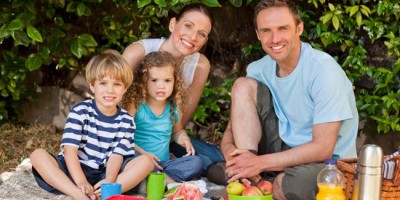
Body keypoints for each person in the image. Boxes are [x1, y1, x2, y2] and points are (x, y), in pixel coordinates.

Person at [220, 0, 359, 199]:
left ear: (299, 28)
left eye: (283, 28)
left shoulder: (324, 72)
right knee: (242, 85)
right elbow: (231, 129)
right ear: (258, 34)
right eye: (266, 30)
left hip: (330, 163)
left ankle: (260, 176)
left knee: (286, 185)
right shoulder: (258, 69)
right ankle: (247, 178)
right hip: (281, 151)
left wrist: (258, 163)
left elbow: (323, 148)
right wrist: (234, 158)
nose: (275, 38)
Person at [30, 50, 154, 200]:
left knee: (146, 162)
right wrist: (81, 181)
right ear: (92, 86)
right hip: (74, 168)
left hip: (105, 172)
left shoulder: (126, 120)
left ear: (125, 89)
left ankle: (108, 190)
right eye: (103, 83)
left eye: (117, 84)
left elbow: (116, 155)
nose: (110, 90)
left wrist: (109, 178)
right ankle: (77, 194)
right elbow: (70, 152)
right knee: (37, 155)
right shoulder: (80, 111)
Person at [122, 4, 224, 173]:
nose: (192, 37)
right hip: (131, 140)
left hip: (165, 136)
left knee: (218, 162)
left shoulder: (200, 65)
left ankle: (162, 169)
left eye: (202, 34)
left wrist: (174, 139)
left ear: (205, 40)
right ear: (172, 24)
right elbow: (114, 113)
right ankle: (152, 174)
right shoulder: (138, 52)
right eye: (188, 26)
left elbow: (179, 121)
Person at [121, 51, 202, 183]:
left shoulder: (174, 106)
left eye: (167, 80)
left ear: (175, 82)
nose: (161, 86)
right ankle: (162, 180)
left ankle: (154, 179)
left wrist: (183, 138)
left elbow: (177, 130)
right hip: (138, 160)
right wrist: (144, 155)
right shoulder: (136, 104)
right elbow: (123, 136)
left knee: (196, 162)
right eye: (154, 80)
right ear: (144, 81)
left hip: (163, 164)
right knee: (135, 161)